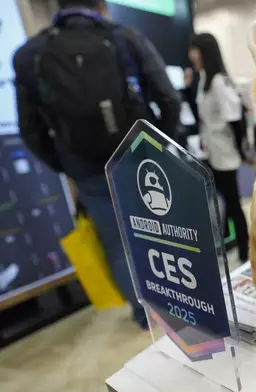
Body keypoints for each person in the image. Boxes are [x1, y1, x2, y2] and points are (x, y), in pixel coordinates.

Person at [13, 0, 181, 329]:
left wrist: (64, 163)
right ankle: (178, 303)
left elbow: (30, 129)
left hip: (84, 165)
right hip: (137, 153)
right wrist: (159, 145)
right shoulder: (127, 38)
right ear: (101, 6)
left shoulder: (29, 55)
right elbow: (168, 97)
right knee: (160, 230)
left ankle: (145, 314)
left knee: (116, 242)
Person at [188, 33, 250, 262]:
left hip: (226, 154)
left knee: (232, 203)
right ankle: (227, 242)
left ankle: (244, 250)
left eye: (194, 50)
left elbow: (234, 119)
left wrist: (242, 151)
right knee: (223, 200)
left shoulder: (217, 82)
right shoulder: (205, 80)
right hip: (213, 151)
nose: (191, 55)